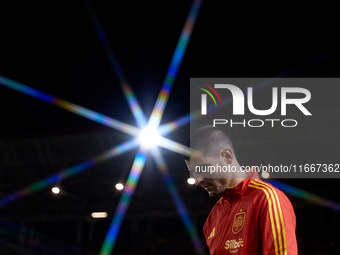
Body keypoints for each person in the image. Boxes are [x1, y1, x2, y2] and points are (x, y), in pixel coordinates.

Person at [184, 126, 297, 254]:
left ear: (227, 156)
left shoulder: (266, 199)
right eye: (192, 172)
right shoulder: (213, 217)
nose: (198, 180)